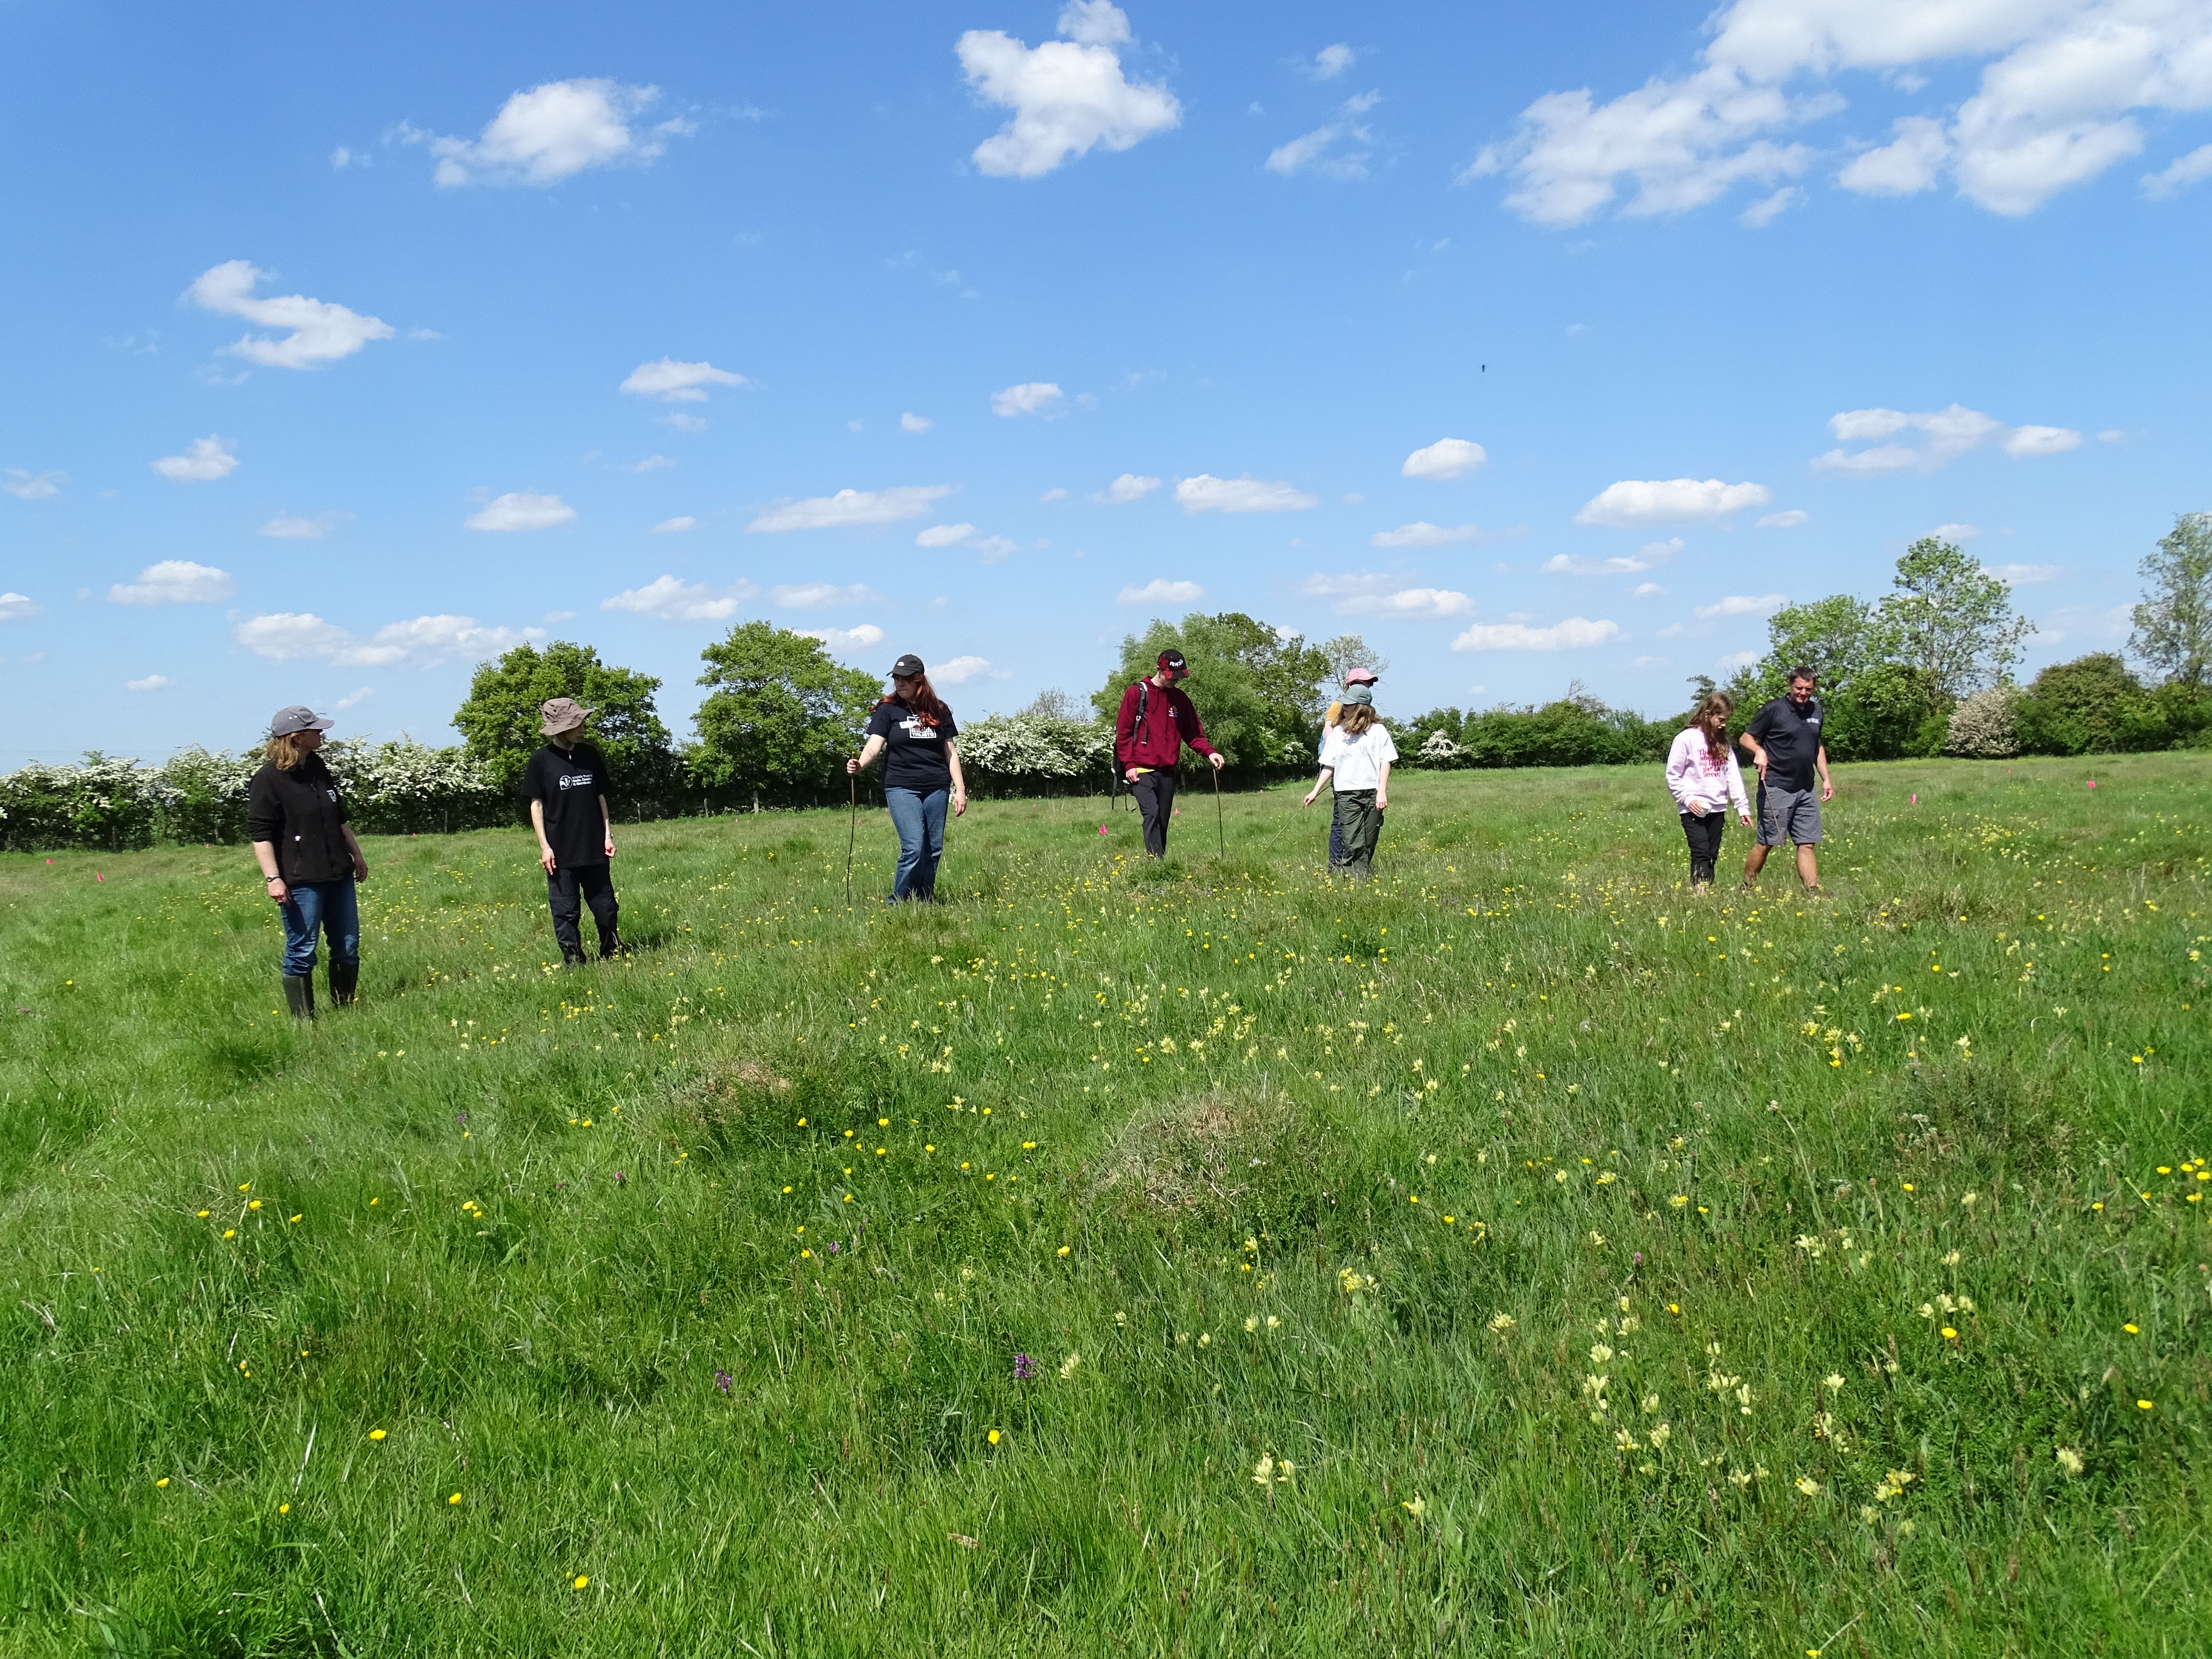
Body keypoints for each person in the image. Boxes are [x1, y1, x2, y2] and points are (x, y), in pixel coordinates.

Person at [247, 704, 369, 1019]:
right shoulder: (267, 780)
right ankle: (304, 1021)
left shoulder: (318, 767)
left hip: (338, 874)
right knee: (302, 949)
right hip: (302, 881)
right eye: (316, 729)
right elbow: (261, 836)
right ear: (297, 738)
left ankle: (345, 1011)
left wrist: (356, 854)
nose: (322, 733)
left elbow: (339, 818)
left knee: (348, 945)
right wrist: (273, 879)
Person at [849, 654, 966, 902]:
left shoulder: (940, 709)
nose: (899, 684)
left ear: (919, 681)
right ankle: (898, 902)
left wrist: (960, 789)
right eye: (896, 679)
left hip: (937, 786)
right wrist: (860, 765)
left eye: (905, 680)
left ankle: (923, 901)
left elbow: (951, 753)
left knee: (933, 849)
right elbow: (874, 746)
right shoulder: (888, 710)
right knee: (914, 846)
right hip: (901, 786)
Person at [523, 697, 622, 966]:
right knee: (565, 911)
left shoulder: (590, 756)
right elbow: (537, 804)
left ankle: (612, 950)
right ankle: (574, 959)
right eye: (577, 723)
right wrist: (545, 846)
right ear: (561, 729)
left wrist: (607, 833)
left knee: (606, 907)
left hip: (594, 847)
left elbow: (600, 797)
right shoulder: (541, 761)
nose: (582, 727)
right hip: (560, 852)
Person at [1115, 648, 1225, 858]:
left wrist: (1210, 753)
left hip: (1167, 771)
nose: (1174, 681)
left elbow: (1193, 733)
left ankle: (1160, 863)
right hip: (1141, 769)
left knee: (1163, 820)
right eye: (1170, 676)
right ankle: (1156, 865)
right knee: (1152, 814)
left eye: (1178, 677)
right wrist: (1128, 765)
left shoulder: (1180, 699)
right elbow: (1124, 733)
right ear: (1159, 669)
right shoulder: (1136, 694)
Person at [1739, 667, 1834, 893]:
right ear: (1790, 686)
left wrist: (1826, 779)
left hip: (1806, 787)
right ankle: (1746, 887)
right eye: (1799, 688)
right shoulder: (1774, 709)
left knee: (1807, 842)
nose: (1803, 693)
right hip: (1776, 785)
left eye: (1808, 689)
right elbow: (1746, 738)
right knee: (1767, 842)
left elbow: (1817, 746)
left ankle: (1813, 891)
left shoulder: (1816, 710)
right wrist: (1759, 751)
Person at [1303, 684, 1396, 879]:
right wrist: (1315, 791)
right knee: (1353, 841)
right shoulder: (1338, 733)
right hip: (1346, 794)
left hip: (1372, 792)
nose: (1343, 708)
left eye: (1349, 705)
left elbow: (1385, 761)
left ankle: (1357, 873)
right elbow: (1329, 765)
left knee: (1369, 839)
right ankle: (1358, 880)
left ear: (1361, 708)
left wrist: (1382, 791)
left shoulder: (1378, 731)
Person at [1665, 690, 1752, 894]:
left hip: (1717, 807)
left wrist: (1743, 808)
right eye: (1721, 719)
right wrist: (1686, 799)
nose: (1724, 724)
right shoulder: (1686, 739)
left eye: (1726, 720)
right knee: (1701, 850)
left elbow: (1733, 777)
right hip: (1692, 808)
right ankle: (1700, 893)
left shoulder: (1723, 744)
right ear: (1708, 715)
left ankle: (1706, 887)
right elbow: (1672, 774)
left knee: (1712, 853)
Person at [1322, 665, 1381, 867]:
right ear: (1352, 685)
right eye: (1364, 683)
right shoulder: (1340, 706)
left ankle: (1358, 868)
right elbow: (1330, 737)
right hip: (1342, 775)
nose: (1368, 686)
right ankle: (1338, 865)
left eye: (1370, 683)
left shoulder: (1367, 713)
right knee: (1342, 824)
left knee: (1363, 827)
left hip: (1362, 780)